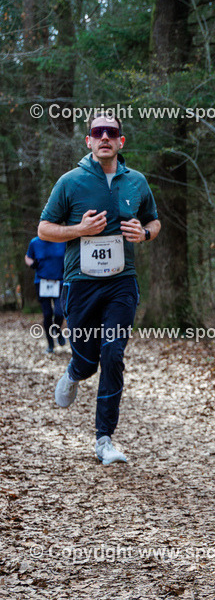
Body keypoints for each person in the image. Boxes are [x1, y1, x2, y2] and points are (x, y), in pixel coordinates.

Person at [37, 112, 161, 465]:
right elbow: (45, 228)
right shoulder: (70, 182)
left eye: (112, 132)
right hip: (81, 284)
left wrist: (146, 233)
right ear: (88, 140)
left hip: (122, 282)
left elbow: (154, 219)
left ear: (121, 141)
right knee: (90, 361)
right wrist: (79, 230)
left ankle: (104, 439)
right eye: (97, 132)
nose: (104, 136)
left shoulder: (135, 181)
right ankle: (76, 371)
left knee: (113, 353)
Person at [25, 235, 66, 353]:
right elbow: (27, 257)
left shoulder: (62, 240)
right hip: (42, 282)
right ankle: (50, 345)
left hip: (59, 281)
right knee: (47, 314)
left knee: (59, 312)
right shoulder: (35, 242)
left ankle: (57, 331)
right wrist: (32, 264)